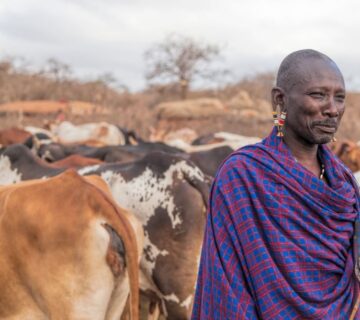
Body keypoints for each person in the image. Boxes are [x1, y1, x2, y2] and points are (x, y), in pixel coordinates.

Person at [191, 49, 360, 319]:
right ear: (280, 99)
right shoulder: (242, 175)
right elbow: (227, 284)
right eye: (318, 95)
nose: (332, 109)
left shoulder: (345, 183)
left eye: (340, 97)